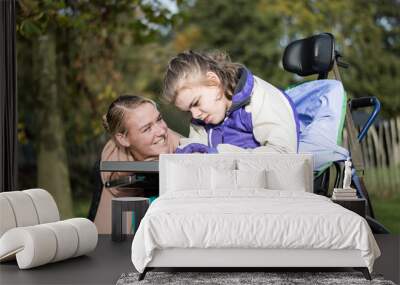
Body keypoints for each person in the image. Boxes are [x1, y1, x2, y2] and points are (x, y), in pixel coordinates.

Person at [162, 50, 299, 154]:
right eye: (188, 111)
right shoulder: (201, 121)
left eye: (196, 103)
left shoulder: (260, 98)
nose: (195, 114)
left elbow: (283, 154)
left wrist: (221, 156)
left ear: (213, 81)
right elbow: (197, 148)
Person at [94, 95, 181, 234]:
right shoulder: (114, 158)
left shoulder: (178, 142)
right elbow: (115, 182)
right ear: (123, 139)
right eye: (147, 129)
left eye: (159, 119)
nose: (161, 131)